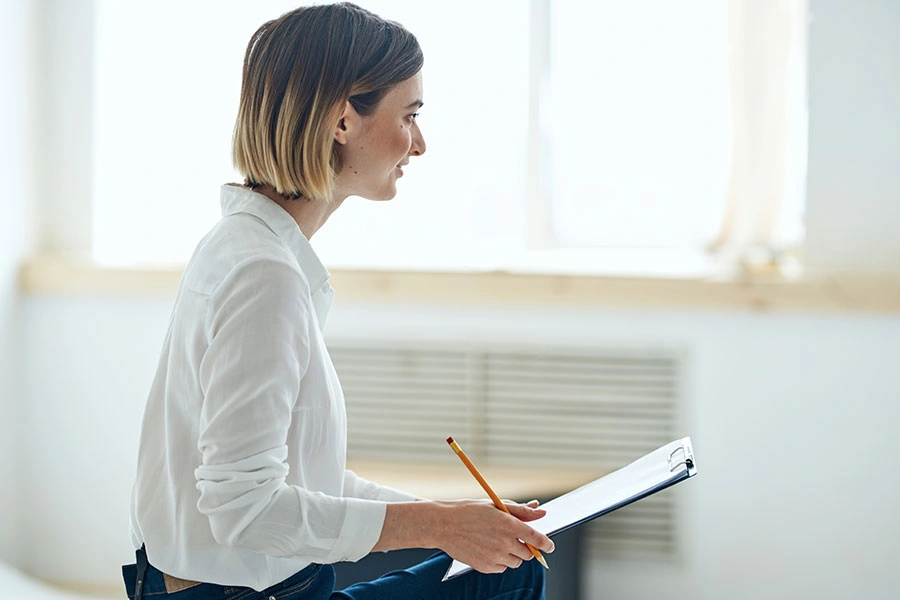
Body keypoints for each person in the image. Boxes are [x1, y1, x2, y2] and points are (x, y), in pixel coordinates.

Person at [121, 3, 554, 599]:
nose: (420, 144)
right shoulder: (263, 276)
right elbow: (244, 509)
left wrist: (459, 522)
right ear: (343, 120)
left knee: (508, 564)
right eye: (410, 115)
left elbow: (305, 480)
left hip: (256, 584)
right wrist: (439, 526)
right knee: (506, 581)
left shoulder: (250, 247)